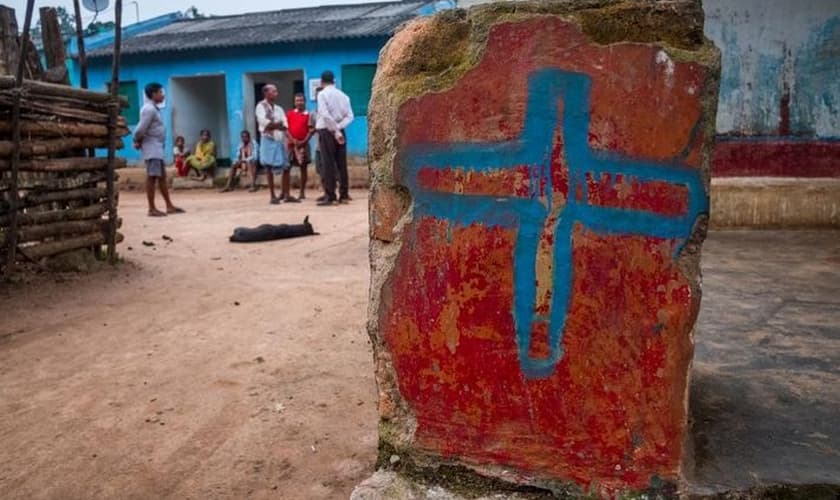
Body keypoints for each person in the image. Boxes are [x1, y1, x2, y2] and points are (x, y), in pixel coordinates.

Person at [133, 82, 184, 217]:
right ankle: (151, 208)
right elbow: (140, 129)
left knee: (161, 177)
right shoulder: (149, 109)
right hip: (152, 149)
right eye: (160, 92)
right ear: (153, 94)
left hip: (156, 149)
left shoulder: (153, 109)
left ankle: (169, 205)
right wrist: (137, 140)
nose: (163, 95)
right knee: (152, 177)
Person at [315, 70, 353, 206]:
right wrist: (338, 128)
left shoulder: (322, 94)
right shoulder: (344, 96)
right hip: (340, 130)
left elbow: (325, 115)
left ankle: (330, 196)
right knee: (341, 163)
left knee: (328, 163)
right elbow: (350, 116)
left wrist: (335, 130)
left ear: (321, 82)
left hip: (327, 131)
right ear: (334, 81)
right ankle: (344, 194)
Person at [256, 84, 291, 205]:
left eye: (276, 91)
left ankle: (286, 194)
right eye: (273, 91)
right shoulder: (260, 106)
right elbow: (264, 123)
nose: (276, 93)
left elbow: (285, 125)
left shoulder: (279, 109)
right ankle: (272, 195)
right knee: (268, 167)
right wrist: (277, 124)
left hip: (279, 139)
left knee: (286, 166)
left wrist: (274, 125)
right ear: (266, 93)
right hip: (268, 139)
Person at [286, 92, 316, 200]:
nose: (299, 103)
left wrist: (304, 141)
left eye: (301, 100)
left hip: (304, 145)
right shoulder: (289, 114)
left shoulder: (309, 115)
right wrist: (292, 140)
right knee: (287, 168)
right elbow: (286, 129)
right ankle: (286, 192)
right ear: (294, 102)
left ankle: (302, 192)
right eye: (297, 101)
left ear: (305, 102)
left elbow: (311, 130)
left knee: (303, 168)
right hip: (290, 145)